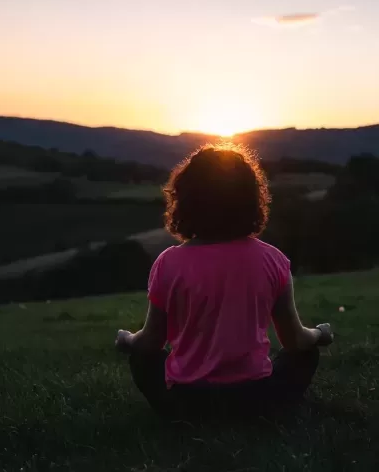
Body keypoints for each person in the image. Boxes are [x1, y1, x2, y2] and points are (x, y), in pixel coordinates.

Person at [115, 144, 333, 418]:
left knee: (142, 358)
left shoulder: (168, 263)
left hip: (185, 406)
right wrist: (320, 334)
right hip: (258, 403)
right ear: (252, 199)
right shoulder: (273, 260)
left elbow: (151, 344)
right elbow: (295, 341)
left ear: (185, 200)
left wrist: (128, 340)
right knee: (306, 353)